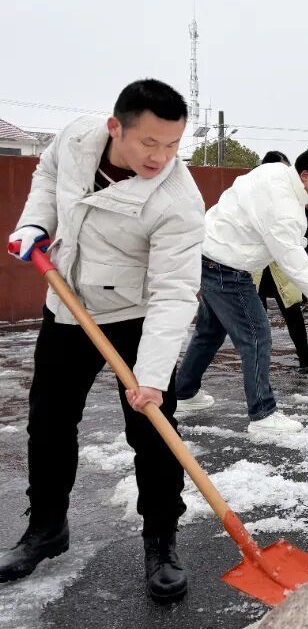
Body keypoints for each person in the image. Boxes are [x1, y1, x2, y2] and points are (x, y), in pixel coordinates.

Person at [1, 80, 203, 603]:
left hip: (135, 318)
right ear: (116, 127)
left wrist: (154, 378)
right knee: (48, 422)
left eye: (174, 145)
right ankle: (46, 528)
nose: (161, 157)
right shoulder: (74, 140)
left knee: (152, 433)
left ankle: (161, 540)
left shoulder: (178, 200)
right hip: (67, 307)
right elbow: (47, 176)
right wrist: (34, 223)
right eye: (149, 143)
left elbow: (175, 292)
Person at [174, 145, 308, 433]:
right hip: (226, 265)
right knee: (256, 336)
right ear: (305, 176)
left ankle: (183, 394)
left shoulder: (273, 172)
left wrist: (295, 242)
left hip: (209, 250)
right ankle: (263, 414)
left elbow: (270, 230)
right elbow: (293, 263)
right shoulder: (284, 207)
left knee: (210, 332)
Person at [254, 151, 308, 369]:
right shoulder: (256, 192)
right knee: (258, 317)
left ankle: (305, 355)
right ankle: (259, 358)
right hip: (258, 265)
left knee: (292, 311)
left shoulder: (285, 193)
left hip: (281, 266)